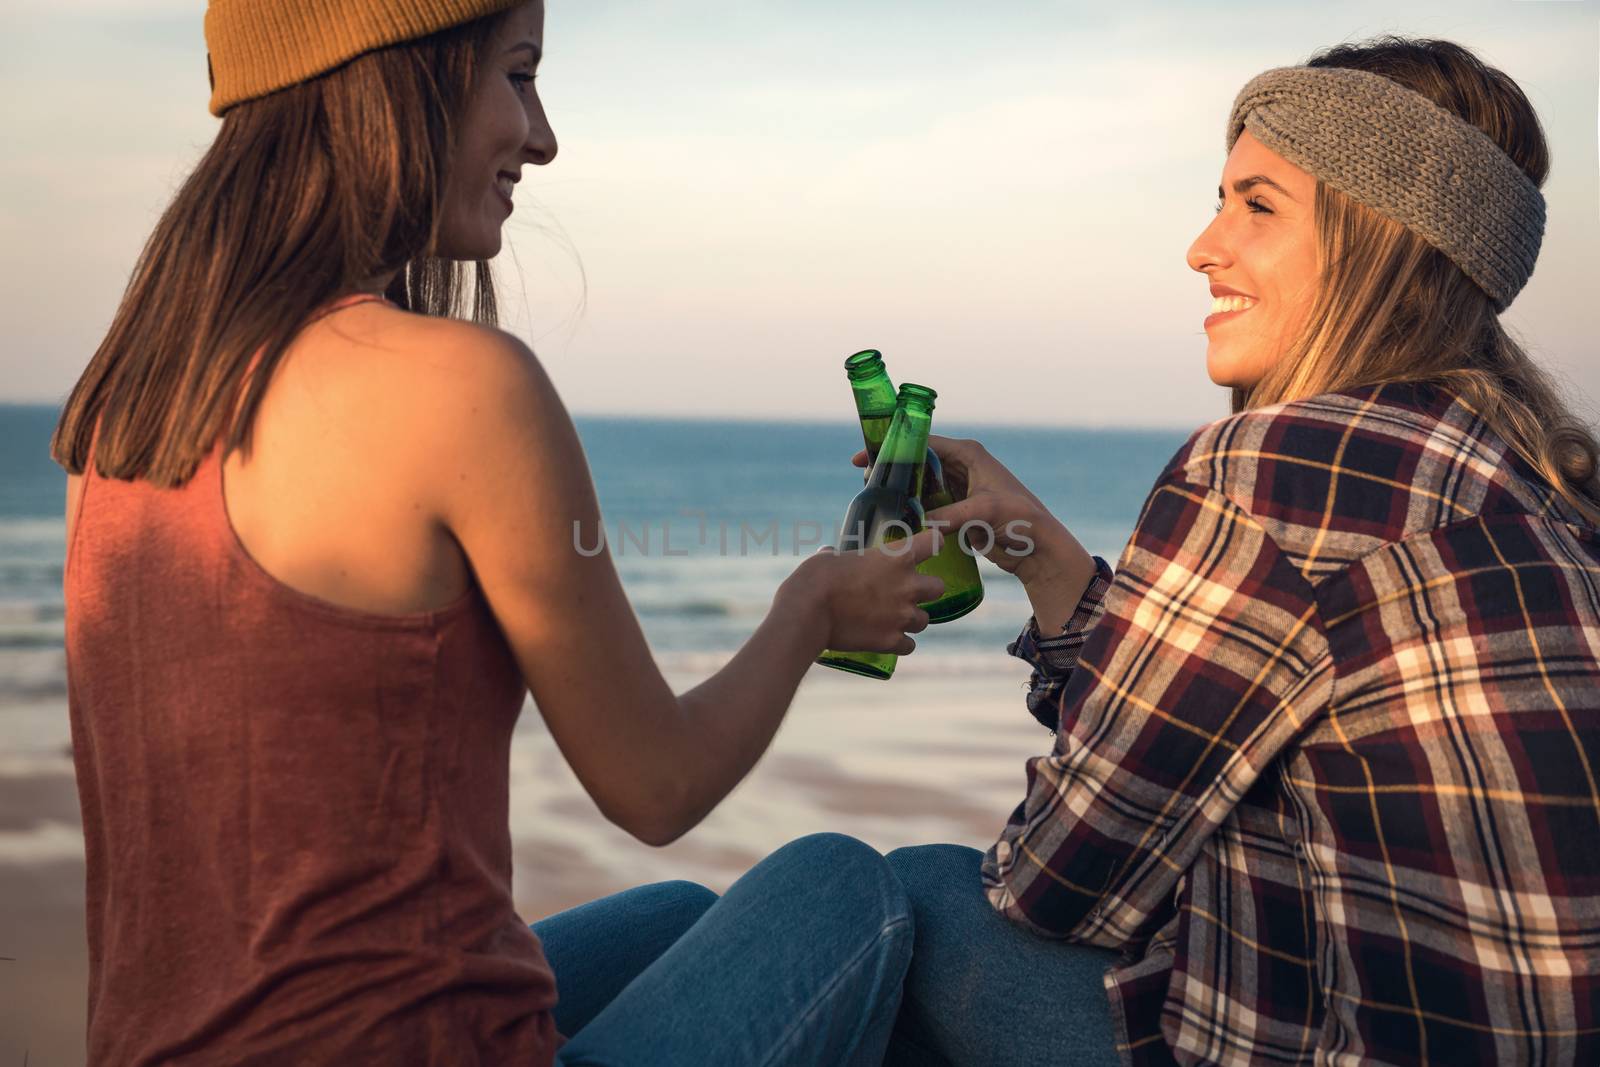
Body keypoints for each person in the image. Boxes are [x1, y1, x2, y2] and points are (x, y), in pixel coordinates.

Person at [50, 2, 946, 1063]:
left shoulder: (126, 406)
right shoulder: (457, 383)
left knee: (670, 918)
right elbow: (655, 784)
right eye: (517, 76)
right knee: (847, 886)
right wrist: (812, 606)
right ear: (394, 80)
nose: (542, 133)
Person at [871, 35, 1600, 1067]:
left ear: (1382, 236)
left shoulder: (1284, 471)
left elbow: (1059, 878)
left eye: (1257, 205)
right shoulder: (1544, 478)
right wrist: (1045, 561)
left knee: (898, 902)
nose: (1202, 246)